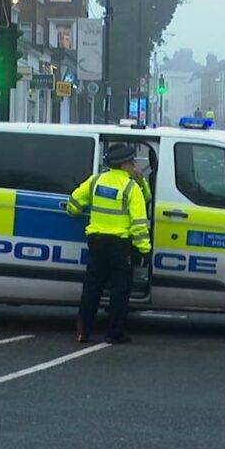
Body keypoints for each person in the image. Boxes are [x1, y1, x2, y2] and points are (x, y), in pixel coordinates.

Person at [66, 143, 151, 344]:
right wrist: (144, 250)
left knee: (92, 288)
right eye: (132, 162)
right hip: (119, 246)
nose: (134, 166)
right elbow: (139, 223)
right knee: (120, 290)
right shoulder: (131, 188)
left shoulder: (95, 181)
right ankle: (114, 333)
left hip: (96, 243)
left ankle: (83, 332)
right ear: (124, 165)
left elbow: (73, 206)